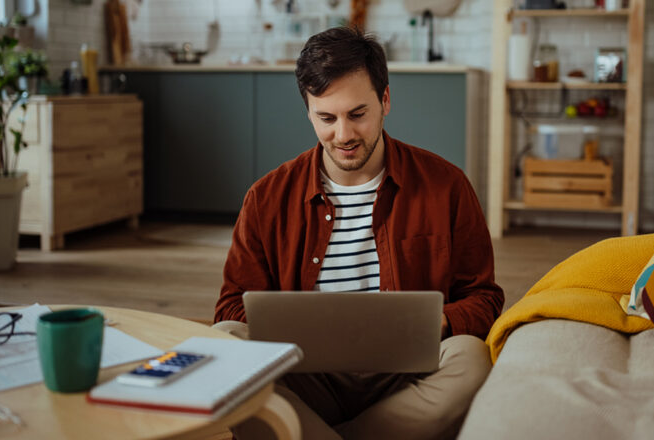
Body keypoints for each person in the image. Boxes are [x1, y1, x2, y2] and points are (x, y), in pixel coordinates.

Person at [213, 26, 504, 440]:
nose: (344, 135)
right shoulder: (266, 197)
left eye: (357, 114)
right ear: (307, 111)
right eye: (326, 118)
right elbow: (230, 308)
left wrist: (435, 322)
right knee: (224, 343)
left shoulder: (447, 184)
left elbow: (485, 298)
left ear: (385, 100)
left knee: (472, 359)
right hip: (307, 375)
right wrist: (288, 331)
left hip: (405, 376)